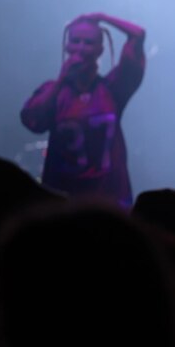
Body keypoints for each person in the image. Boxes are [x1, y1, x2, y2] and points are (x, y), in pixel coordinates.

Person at [20, 13, 146, 209]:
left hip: (110, 200)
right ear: (67, 46)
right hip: (63, 202)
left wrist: (101, 17)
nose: (80, 48)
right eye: (75, 41)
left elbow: (138, 35)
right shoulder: (52, 91)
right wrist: (62, 78)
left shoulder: (112, 88)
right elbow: (32, 120)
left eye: (88, 43)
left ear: (100, 49)